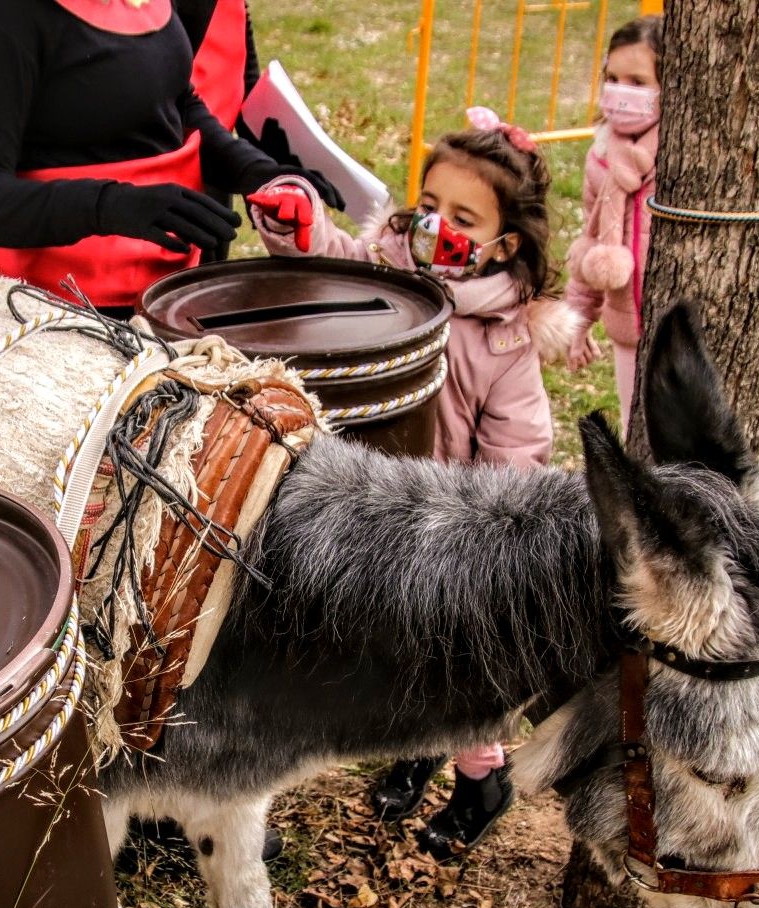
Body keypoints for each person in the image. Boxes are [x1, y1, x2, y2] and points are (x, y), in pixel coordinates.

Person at [247, 110, 579, 861]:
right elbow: (339, 262)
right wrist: (298, 231)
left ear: (506, 244)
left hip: (453, 533)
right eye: (430, 206)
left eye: (463, 218)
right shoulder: (397, 268)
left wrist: (484, 537)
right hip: (380, 506)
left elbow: (519, 452)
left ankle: (480, 783)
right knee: (399, 656)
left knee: (460, 670)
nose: (437, 227)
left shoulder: (506, 340)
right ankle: (417, 746)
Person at [0, 0, 340, 315]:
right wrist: (112, 206)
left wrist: (262, 175)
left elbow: (178, 105)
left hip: (172, 295)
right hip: (59, 312)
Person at [564, 15, 663, 433]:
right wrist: (580, 320)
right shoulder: (601, 155)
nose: (622, 93)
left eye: (638, 83)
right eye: (613, 78)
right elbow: (592, 237)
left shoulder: (676, 156)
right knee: (634, 428)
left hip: (671, 320)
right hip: (626, 326)